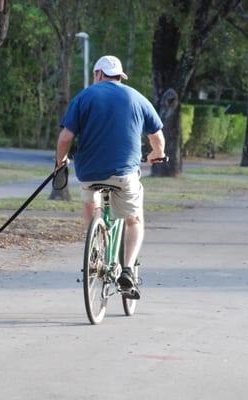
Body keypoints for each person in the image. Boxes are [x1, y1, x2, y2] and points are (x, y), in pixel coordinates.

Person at [55, 55, 166, 298]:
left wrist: (60, 162)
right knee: (133, 219)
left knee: (91, 201)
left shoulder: (84, 97)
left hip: (89, 172)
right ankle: (126, 270)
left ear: (98, 74)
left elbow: (65, 138)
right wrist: (157, 155)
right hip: (124, 173)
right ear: (119, 76)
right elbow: (157, 137)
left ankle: (94, 246)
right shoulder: (136, 97)